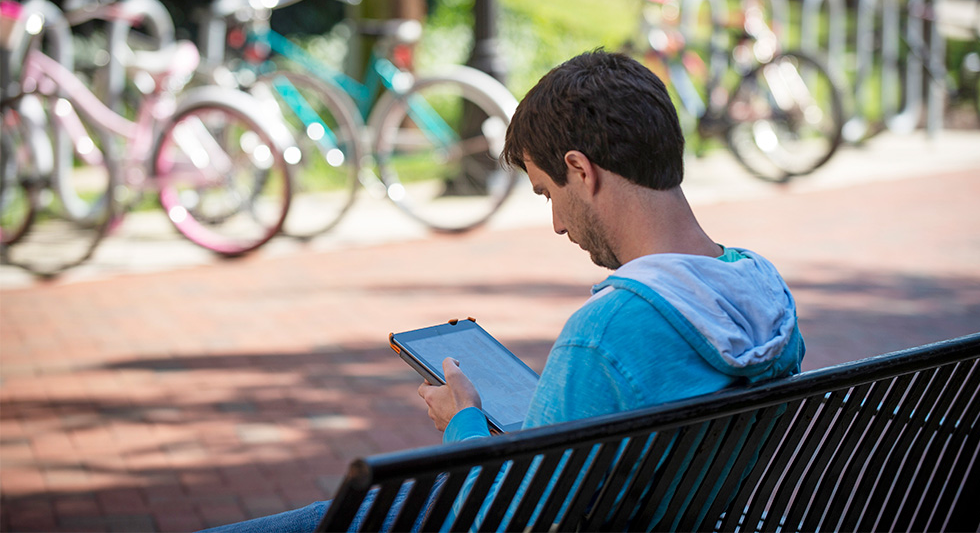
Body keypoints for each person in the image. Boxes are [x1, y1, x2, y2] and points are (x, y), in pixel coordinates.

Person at [200, 49, 804, 532]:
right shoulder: (766, 295)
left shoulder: (607, 330)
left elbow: (506, 514)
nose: (558, 224)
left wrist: (464, 425)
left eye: (548, 194)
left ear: (580, 169)